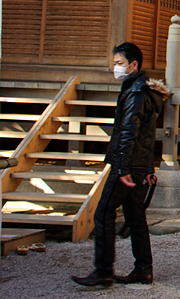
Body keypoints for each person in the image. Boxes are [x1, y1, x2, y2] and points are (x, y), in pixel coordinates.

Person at [72, 42, 168, 287]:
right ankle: (143, 270)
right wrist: (147, 168)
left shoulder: (136, 92)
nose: (115, 68)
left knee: (104, 212)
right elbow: (147, 135)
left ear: (133, 65)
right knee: (136, 217)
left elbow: (129, 130)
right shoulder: (142, 90)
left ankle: (103, 271)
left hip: (128, 165)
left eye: (119, 63)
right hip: (139, 164)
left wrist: (122, 168)